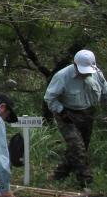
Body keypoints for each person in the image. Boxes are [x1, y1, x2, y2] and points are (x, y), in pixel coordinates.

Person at [43, 49, 107, 186]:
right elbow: (50, 98)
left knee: (81, 146)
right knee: (77, 146)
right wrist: (62, 112)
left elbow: (105, 93)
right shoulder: (62, 76)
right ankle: (85, 180)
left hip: (88, 112)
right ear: (75, 64)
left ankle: (59, 175)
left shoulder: (97, 75)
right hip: (66, 113)